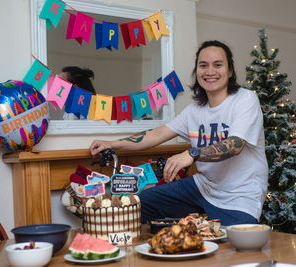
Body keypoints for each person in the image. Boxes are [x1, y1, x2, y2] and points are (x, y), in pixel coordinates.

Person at [89, 40, 268, 226]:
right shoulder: (194, 110)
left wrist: (192, 154)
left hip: (241, 196)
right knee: (137, 207)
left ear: (230, 70)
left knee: (233, 248)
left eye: (218, 65)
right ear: (197, 71)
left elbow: (235, 145)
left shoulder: (245, 100)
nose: (210, 71)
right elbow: (157, 134)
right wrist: (112, 144)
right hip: (203, 187)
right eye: (203, 65)